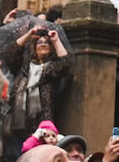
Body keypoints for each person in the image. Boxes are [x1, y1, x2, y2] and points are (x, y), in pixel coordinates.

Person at [4, 22, 72, 150]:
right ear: (34, 47)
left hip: (41, 126)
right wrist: (29, 35)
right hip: (17, 123)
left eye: (46, 42)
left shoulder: (51, 68)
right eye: (39, 42)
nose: (43, 44)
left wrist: (55, 39)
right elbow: (10, 53)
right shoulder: (23, 66)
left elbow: (66, 62)